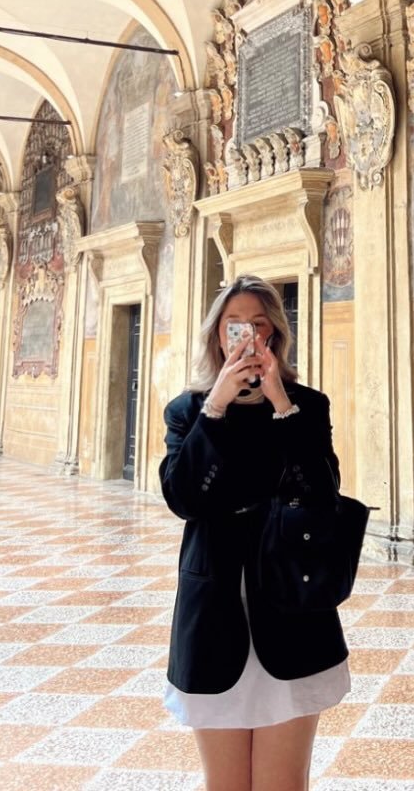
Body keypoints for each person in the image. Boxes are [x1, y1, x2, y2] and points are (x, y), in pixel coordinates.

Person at [160, 275, 349, 791]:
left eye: (258, 326)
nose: (247, 336)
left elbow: (322, 495)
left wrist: (281, 403)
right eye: (235, 325)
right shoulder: (188, 411)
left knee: (282, 783)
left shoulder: (306, 406)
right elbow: (183, 499)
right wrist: (215, 409)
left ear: (274, 336)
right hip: (212, 612)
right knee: (225, 783)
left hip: (292, 606)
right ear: (218, 335)